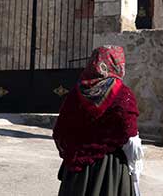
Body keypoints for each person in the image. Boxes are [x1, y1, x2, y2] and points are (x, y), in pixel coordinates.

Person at [53, 45, 143, 196]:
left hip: (77, 172)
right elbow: (131, 139)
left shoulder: (75, 94)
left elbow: (60, 133)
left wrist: (74, 152)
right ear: (117, 64)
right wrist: (135, 170)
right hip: (110, 172)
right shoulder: (122, 95)